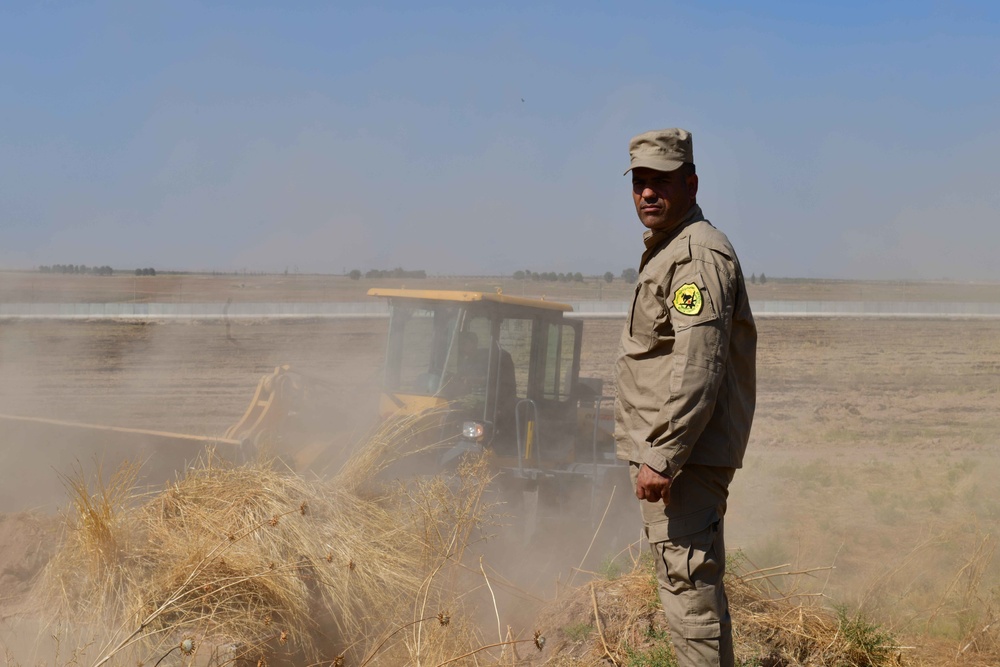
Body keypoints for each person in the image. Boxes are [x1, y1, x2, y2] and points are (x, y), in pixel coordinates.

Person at [614, 128, 756, 667]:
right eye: (640, 183)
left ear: (691, 183)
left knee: (689, 596)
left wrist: (662, 454)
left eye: (661, 182)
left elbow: (700, 365)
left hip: (683, 460)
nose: (648, 193)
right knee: (694, 590)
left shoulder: (695, 256)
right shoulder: (671, 251)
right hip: (682, 457)